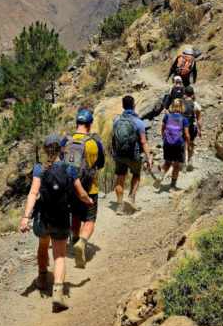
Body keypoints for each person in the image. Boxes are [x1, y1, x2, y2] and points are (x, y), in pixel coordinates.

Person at [20, 134, 94, 310]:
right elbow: (81, 193)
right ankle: (58, 293)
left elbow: (33, 193)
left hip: (42, 217)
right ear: (62, 149)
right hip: (61, 217)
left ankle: (42, 279)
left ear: (45, 150)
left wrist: (25, 216)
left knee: (43, 246)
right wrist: (88, 200)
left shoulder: (39, 169)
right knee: (59, 256)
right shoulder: (69, 169)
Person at [61, 110, 105, 269]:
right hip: (90, 187)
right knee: (90, 219)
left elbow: (60, 164)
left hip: (71, 187)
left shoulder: (65, 141)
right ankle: (83, 242)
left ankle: (73, 242)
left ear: (76, 124)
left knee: (75, 215)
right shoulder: (95, 143)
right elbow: (100, 164)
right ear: (90, 124)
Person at [111, 96, 152, 214]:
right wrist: (149, 158)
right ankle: (131, 198)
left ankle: (119, 207)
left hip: (119, 154)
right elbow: (143, 141)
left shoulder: (117, 120)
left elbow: (113, 138)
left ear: (123, 107)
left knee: (120, 178)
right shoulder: (138, 122)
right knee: (136, 174)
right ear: (134, 106)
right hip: (133, 154)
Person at [159, 99, 191, 190]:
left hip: (167, 142)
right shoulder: (184, 119)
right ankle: (172, 186)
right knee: (176, 165)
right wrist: (188, 145)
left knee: (167, 163)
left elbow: (162, 126)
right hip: (178, 144)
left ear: (172, 106)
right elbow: (187, 134)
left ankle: (160, 176)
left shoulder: (167, 116)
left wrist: (163, 136)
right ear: (181, 107)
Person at [182, 85, 203, 170]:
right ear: (192, 94)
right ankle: (189, 159)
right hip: (192, 126)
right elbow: (199, 118)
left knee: (184, 145)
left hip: (182, 126)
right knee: (191, 143)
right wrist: (201, 130)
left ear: (185, 94)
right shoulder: (195, 104)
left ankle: (184, 163)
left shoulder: (180, 103)